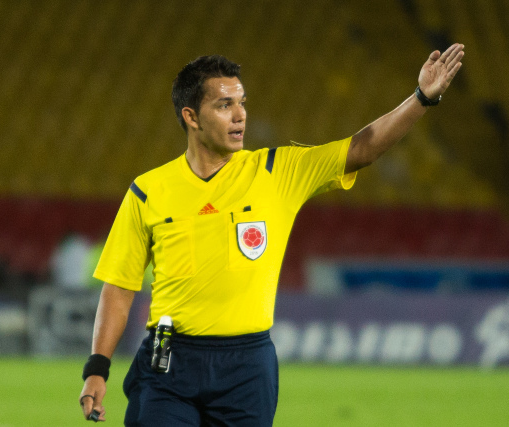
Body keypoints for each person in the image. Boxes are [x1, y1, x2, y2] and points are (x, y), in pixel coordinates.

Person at [79, 44, 465, 425]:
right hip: (168, 361)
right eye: (224, 105)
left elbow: (361, 149)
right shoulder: (148, 191)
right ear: (191, 116)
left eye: (242, 103)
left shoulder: (277, 171)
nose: (240, 115)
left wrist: (421, 99)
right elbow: (119, 287)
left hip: (246, 367)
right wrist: (97, 368)